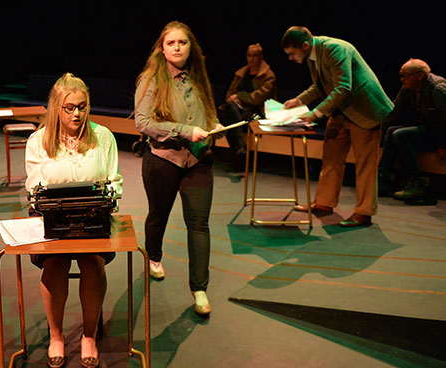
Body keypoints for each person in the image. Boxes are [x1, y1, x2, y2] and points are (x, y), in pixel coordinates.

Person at [25, 73, 123, 368]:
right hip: (52, 217)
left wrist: (106, 202)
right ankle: (56, 335)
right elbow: (34, 189)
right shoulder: (38, 141)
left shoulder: (103, 136)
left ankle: (89, 335)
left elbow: (114, 182)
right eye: (69, 108)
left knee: (93, 262)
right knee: (55, 263)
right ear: (57, 107)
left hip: (93, 215)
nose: (77, 113)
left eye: (82, 106)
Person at [134, 21, 222, 315]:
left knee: (199, 224)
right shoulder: (152, 79)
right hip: (162, 160)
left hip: (197, 161)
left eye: (182, 42)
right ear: (162, 48)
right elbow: (144, 123)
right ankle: (154, 256)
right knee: (158, 215)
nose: (176, 48)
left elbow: (207, 113)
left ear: (190, 46)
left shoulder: (198, 77)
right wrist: (184, 130)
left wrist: (214, 127)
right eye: (170, 43)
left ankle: (199, 289)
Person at [282, 26, 393, 227]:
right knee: (331, 157)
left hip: (363, 111)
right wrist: (298, 101)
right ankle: (324, 203)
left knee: (365, 165)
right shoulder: (312, 55)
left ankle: (364, 213)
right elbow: (320, 86)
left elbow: (343, 86)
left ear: (305, 46)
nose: (290, 58)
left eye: (291, 53)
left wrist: (314, 113)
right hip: (340, 110)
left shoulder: (335, 48)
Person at [378, 59, 446, 200]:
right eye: (401, 75)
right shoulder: (409, 87)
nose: (402, 79)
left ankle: (415, 183)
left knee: (401, 134)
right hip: (429, 129)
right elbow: (393, 111)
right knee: (391, 130)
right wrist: (379, 132)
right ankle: (383, 180)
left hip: (440, 133)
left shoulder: (438, 89)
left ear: (419, 76)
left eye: (405, 76)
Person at [218, 43, 277, 171]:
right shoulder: (241, 74)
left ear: (261, 56)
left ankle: (239, 156)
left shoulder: (268, 75)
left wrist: (239, 96)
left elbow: (258, 98)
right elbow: (229, 93)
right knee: (230, 109)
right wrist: (232, 98)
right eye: (249, 55)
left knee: (232, 120)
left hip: (258, 112)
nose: (251, 59)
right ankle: (240, 150)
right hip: (238, 110)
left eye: (254, 56)